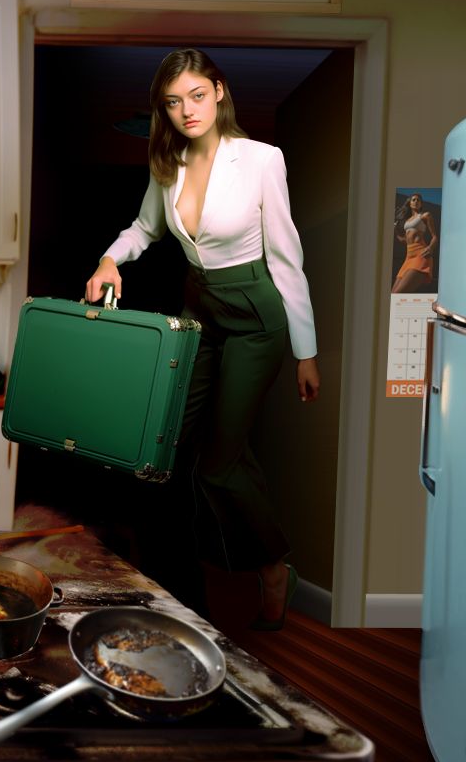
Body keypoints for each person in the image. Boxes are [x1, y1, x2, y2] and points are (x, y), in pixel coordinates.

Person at [84, 49, 320, 629]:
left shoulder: (263, 159)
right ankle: (175, 594)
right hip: (198, 312)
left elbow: (287, 257)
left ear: (218, 91)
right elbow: (145, 228)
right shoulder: (167, 160)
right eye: (172, 102)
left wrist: (306, 350)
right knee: (166, 451)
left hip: (254, 316)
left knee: (217, 465)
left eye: (195, 95)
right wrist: (109, 260)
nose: (186, 110)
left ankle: (272, 566)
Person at [392, 192, 438, 293]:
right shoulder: (407, 221)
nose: (416, 201)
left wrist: (430, 247)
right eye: (413, 200)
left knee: (397, 294)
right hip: (408, 258)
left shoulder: (425, 216)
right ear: (410, 203)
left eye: (418, 200)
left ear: (421, 204)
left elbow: (434, 236)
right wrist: (395, 231)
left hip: (420, 255)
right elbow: (405, 241)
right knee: (393, 294)